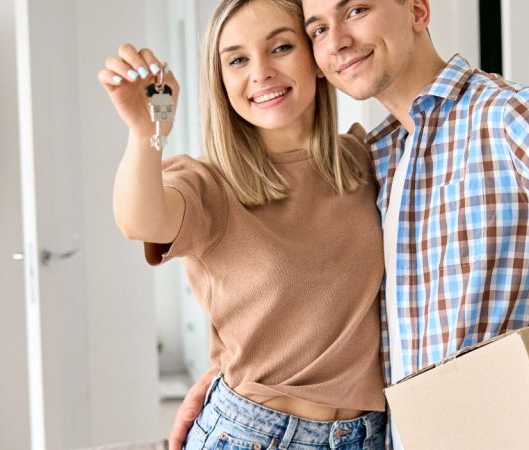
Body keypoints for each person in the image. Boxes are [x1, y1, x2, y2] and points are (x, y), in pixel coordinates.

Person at [174, 0, 529, 448]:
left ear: (417, 11)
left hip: (520, 432)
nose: (337, 39)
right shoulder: (373, 159)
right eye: (317, 28)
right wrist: (229, 381)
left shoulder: (509, 118)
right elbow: (318, 296)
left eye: (356, 10)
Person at [99, 0, 388, 449]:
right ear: (222, 82)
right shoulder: (209, 185)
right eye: (237, 59)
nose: (261, 72)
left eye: (280, 47)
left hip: (369, 435)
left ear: (314, 56)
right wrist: (146, 130)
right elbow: (138, 220)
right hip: (255, 435)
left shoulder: (364, 160)